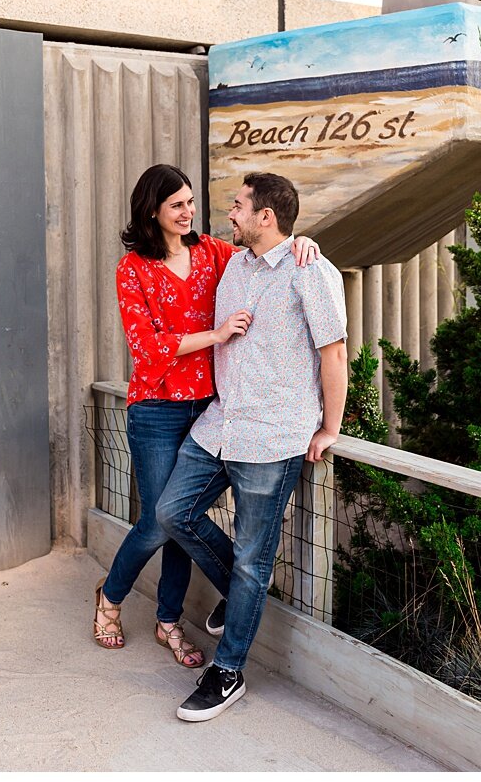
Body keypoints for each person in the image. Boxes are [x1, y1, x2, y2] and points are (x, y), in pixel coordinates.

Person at [94, 164, 317, 667]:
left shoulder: (213, 253)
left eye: (191, 202)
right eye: (177, 205)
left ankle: (168, 622)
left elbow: (269, 249)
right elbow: (147, 351)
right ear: (152, 210)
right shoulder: (132, 269)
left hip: (207, 407)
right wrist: (216, 337)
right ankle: (110, 599)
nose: (188, 212)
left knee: (181, 518)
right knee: (158, 520)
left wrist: (306, 244)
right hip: (155, 408)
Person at [156, 171, 347, 722]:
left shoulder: (312, 271)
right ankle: (242, 594)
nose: (229, 213)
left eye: (238, 205)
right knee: (173, 513)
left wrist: (328, 427)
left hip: (274, 435)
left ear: (266, 216)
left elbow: (333, 354)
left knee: (252, 558)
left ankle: (229, 669)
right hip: (220, 426)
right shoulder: (232, 263)